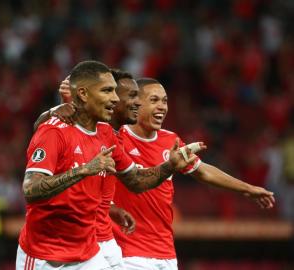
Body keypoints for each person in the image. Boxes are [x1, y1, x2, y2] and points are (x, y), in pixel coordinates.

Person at [16, 61, 202, 269]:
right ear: (84, 94)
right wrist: (84, 170)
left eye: (115, 91)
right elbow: (31, 189)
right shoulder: (54, 131)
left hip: (88, 253)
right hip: (47, 256)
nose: (115, 98)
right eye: (107, 91)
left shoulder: (106, 134)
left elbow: (135, 180)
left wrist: (169, 166)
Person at [112, 78, 276, 270]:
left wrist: (247, 189)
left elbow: (203, 171)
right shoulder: (117, 139)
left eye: (164, 101)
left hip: (165, 254)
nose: (162, 107)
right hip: (128, 254)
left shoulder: (170, 140)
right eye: (154, 100)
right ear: (136, 104)